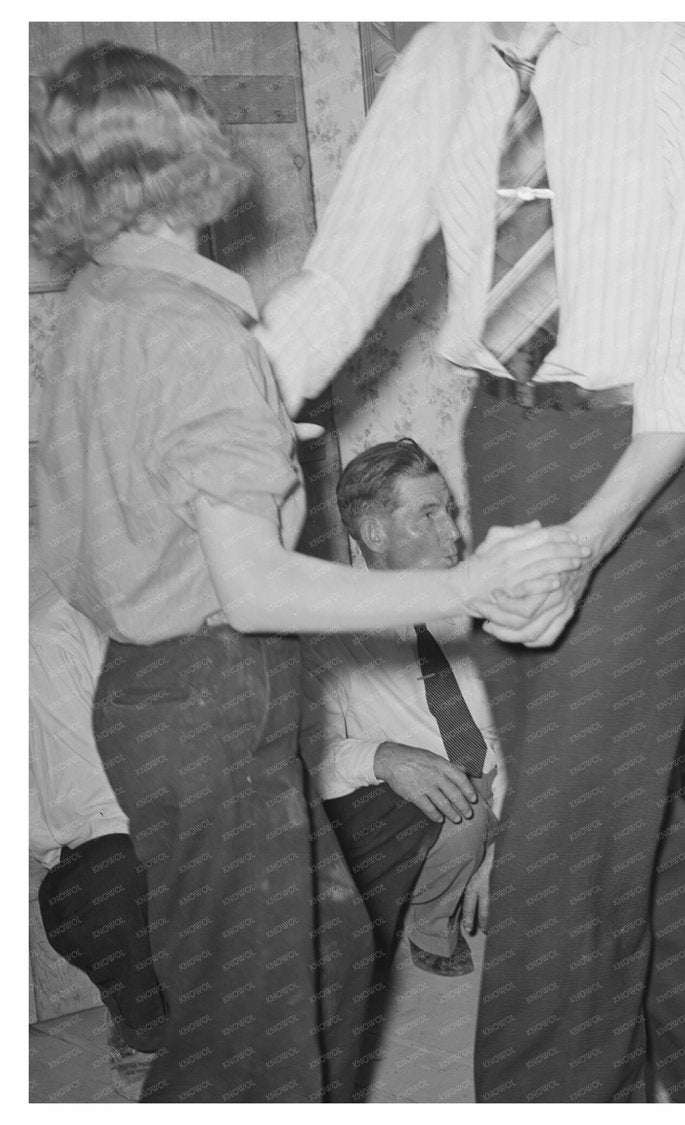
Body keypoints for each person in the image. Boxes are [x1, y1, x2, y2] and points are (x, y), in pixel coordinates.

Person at [256, 22, 685, 1103]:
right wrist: (228, 410)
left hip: (649, 458)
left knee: (564, 840)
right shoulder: (441, 60)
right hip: (508, 438)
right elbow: (346, 272)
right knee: (607, 803)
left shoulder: (680, 58)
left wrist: (585, 544)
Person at [29, 42, 589, 1102]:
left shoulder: (103, 306)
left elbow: (110, 512)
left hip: (145, 693)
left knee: (322, 946)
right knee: (261, 1018)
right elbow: (256, 587)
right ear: (191, 151)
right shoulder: (196, 329)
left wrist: (236, 448)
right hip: (210, 687)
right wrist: (467, 586)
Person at [302, 439, 502, 981]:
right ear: (374, 534)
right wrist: (384, 756)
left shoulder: (480, 600)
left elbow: (524, 726)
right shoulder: (329, 629)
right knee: (463, 816)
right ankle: (429, 919)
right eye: (428, 516)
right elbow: (309, 758)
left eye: (450, 513)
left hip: (505, 780)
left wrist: (514, 838)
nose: (454, 534)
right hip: (427, 807)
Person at [30, 577, 166, 1098]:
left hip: (184, 814)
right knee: (110, 874)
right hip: (101, 841)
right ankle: (144, 1031)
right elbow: (79, 808)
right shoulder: (48, 630)